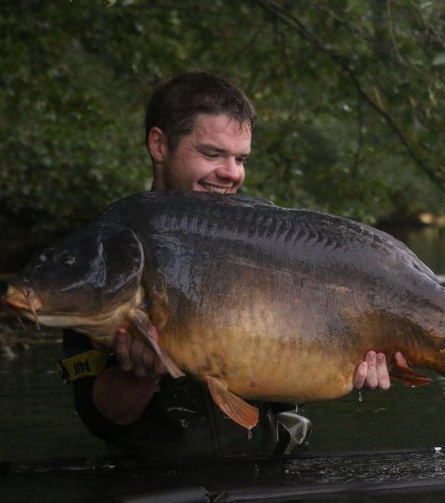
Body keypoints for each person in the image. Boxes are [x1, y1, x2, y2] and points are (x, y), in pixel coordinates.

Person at [59, 72, 404, 461]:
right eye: (211, 154)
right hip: (160, 477)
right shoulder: (111, 251)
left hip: (271, 466)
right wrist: (140, 373)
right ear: (159, 144)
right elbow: (101, 417)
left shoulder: (268, 234)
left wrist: (355, 364)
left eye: (240, 159)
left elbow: (292, 389)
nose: (232, 173)